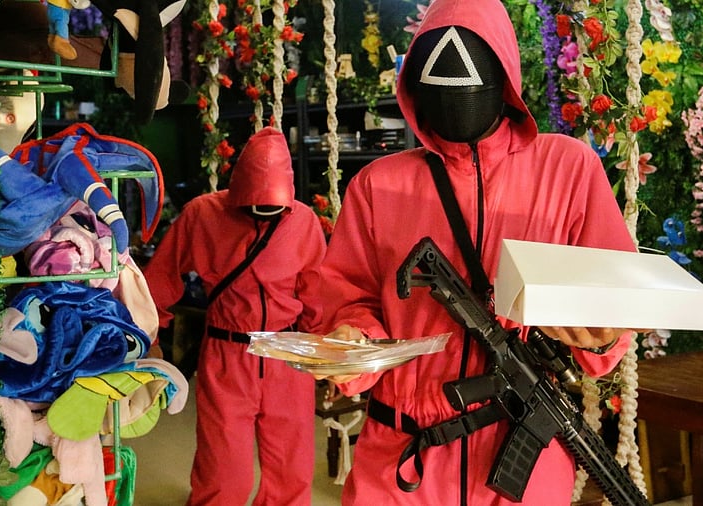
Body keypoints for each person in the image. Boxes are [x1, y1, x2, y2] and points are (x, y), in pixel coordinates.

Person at [310, 0, 638, 504]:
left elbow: (614, 305)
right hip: (400, 460)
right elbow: (347, 296)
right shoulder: (379, 185)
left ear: (504, 80)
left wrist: (598, 339)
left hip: (522, 453)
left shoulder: (568, 170)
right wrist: (351, 340)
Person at [144, 127, 326, 505]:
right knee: (224, 468)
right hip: (228, 351)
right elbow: (161, 276)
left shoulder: (303, 222)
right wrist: (150, 337)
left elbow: (317, 293)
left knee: (291, 468)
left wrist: (323, 353)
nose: (263, 214)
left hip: (288, 352)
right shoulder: (203, 214)